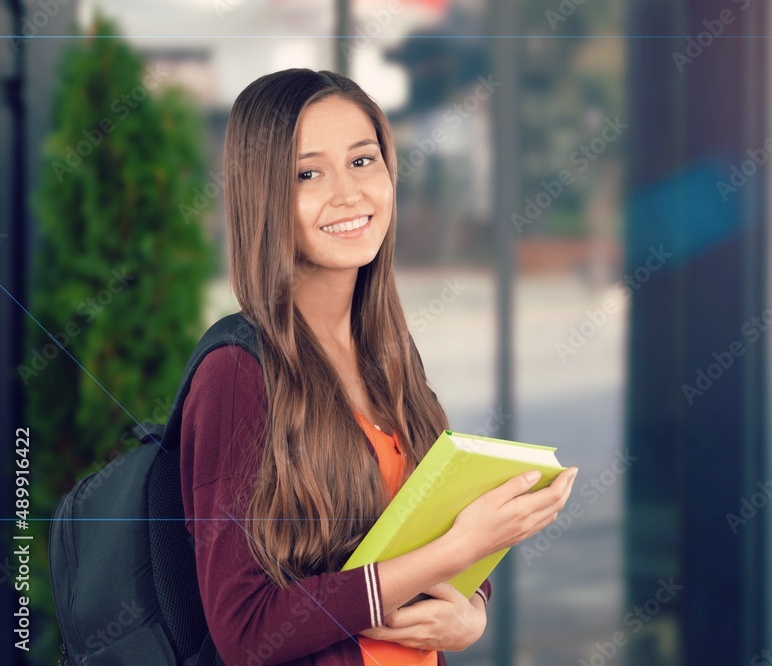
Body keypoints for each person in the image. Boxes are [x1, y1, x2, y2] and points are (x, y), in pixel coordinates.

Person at [179, 68, 578, 666]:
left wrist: (469, 617)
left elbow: (422, 531)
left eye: (363, 161)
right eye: (307, 174)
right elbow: (248, 630)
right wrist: (455, 549)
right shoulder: (238, 371)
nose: (348, 193)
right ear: (262, 193)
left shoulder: (387, 353)